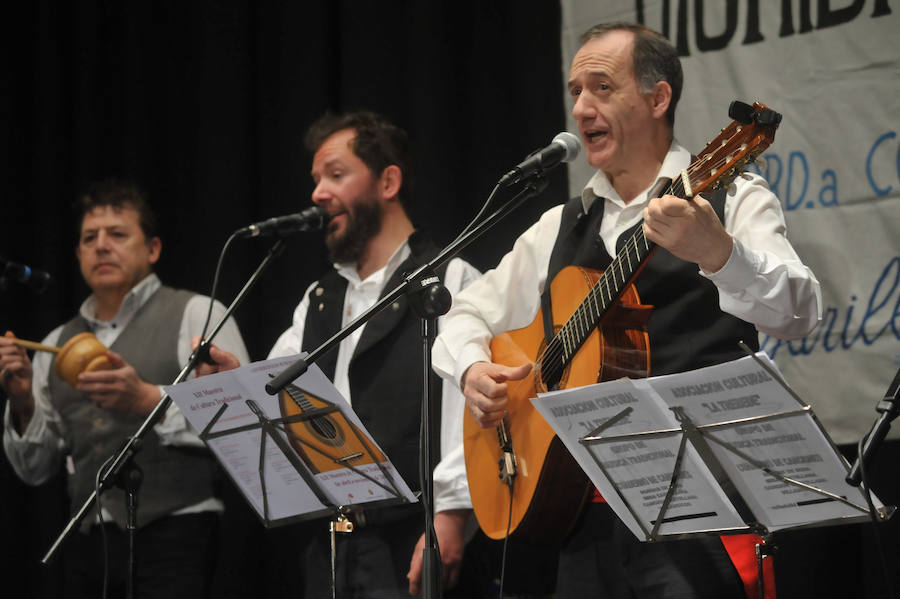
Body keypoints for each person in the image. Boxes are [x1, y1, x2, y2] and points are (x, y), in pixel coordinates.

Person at [432, 22, 822, 599]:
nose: (582, 107)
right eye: (574, 91)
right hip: (576, 516)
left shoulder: (730, 194)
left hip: (701, 511)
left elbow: (799, 310)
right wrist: (471, 369)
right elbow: (463, 310)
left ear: (658, 98)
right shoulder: (559, 226)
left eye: (602, 88)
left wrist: (720, 254)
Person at [198, 111, 482, 598]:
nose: (317, 194)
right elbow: (279, 409)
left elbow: (469, 419)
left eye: (335, 174)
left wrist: (451, 518)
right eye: (315, 180)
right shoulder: (318, 299)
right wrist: (238, 382)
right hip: (331, 545)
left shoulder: (451, 281)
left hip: (413, 539)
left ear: (388, 181)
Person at [0, 180, 250, 599]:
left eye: (117, 234)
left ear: (152, 249)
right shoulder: (56, 341)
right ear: (77, 254)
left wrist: (149, 400)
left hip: (178, 533)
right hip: (89, 541)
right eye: (89, 238)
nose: (101, 246)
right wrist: (22, 401)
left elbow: (243, 427)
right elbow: (35, 468)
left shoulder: (198, 314)